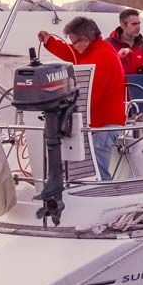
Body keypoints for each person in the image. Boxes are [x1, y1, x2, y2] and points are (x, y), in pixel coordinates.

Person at [37, 16, 126, 181]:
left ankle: (103, 193)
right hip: (98, 122)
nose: (73, 46)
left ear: (85, 39)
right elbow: (69, 52)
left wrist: (65, 109)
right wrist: (49, 41)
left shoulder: (102, 56)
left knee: (97, 170)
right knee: (95, 168)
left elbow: (91, 94)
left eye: (74, 42)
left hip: (105, 123)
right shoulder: (90, 51)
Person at [107, 9, 143, 76]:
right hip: (116, 82)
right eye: (134, 24)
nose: (138, 27)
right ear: (123, 25)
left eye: (139, 23)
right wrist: (118, 57)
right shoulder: (108, 44)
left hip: (137, 83)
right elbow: (101, 69)